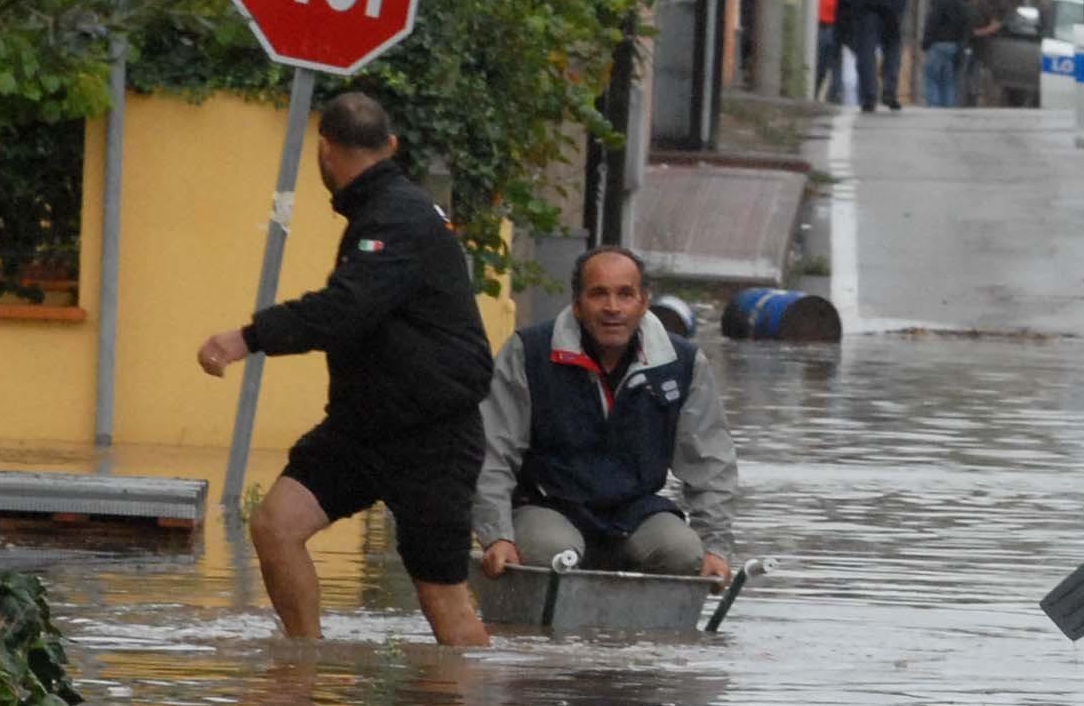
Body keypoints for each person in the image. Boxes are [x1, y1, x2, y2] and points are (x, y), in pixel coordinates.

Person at [197, 90, 498, 647]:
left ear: (324, 150)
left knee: (441, 596)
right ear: (391, 144)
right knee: (275, 527)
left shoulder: (397, 216)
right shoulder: (381, 210)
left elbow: (345, 309)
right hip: (363, 428)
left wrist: (247, 337)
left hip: (431, 435)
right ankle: (304, 664)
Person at [472, 245, 740, 582]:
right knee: (552, 551)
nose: (612, 307)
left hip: (636, 513)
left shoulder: (682, 363)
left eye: (625, 294)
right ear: (578, 305)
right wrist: (497, 535)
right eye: (599, 294)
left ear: (644, 302)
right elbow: (492, 452)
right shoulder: (528, 352)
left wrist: (715, 548)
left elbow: (710, 465)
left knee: (683, 553)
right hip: (546, 506)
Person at [920, 0, 979, 110]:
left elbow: (932, 21)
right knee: (948, 81)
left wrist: (925, 42)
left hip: (938, 43)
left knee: (932, 79)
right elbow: (965, 26)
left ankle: (934, 109)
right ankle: (948, 110)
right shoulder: (962, 4)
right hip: (953, 45)